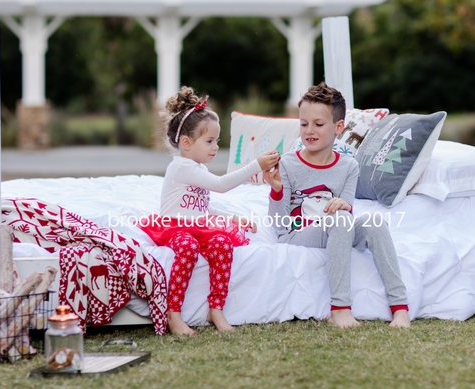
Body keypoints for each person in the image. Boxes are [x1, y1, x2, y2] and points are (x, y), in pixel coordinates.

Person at [263, 82, 411, 329]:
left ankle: (400, 308)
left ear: (339, 127)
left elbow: (347, 211)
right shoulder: (288, 164)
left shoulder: (349, 166)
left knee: (375, 223)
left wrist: (344, 206)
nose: (309, 130)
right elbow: (279, 224)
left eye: (319, 124)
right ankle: (340, 308)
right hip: (298, 234)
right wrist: (276, 190)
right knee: (341, 220)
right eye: (303, 123)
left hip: (336, 228)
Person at [139, 86, 280, 335]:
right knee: (188, 247)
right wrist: (255, 165)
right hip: (174, 226)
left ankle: (216, 308)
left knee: (222, 245)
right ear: (186, 142)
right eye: (209, 141)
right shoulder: (182, 167)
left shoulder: (198, 167)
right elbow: (220, 185)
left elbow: (201, 205)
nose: (215, 147)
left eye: (216, 141)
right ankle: (173, 313)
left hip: (196, 225)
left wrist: (230, 219)